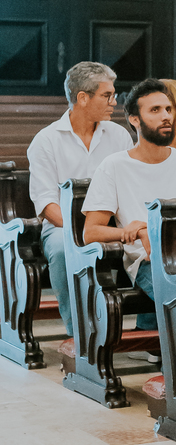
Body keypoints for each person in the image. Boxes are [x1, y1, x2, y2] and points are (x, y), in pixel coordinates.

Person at [82, 79, 176, 330]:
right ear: (134, 120)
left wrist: (157, 231)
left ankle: (161, 342)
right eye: (155, 110)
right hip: (148, 260)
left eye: (168, 109)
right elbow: (91, 232)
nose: (166, 116)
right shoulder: (114, 166)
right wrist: (132, 231)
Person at [26, 60, 131, 326]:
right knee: (64, 249)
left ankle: (141, 327)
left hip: (111, 221)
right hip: (62, 225)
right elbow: (46, 203)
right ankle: (79, 333)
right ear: (82, 98)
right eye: (107, 95)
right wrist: (83, 230)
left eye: (114, 95)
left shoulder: (119, 135)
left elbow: (129, 186)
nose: (114, 102)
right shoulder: (46, 140)